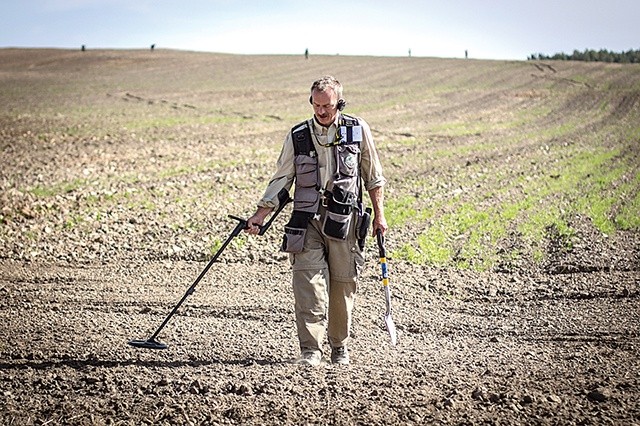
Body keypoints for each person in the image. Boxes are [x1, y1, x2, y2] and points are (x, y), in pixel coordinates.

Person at [245, 76, 388, 366]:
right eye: (317, 105)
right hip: (306, 220)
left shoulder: (357, 130)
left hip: (345, 221)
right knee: (308, 284)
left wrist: (379, 216)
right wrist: (261, 214)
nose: (322, 111)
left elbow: (373, 176)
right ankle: (310, 350)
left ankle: (339, 348)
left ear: (340, 103)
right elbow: (282, 178)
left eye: (328, 105)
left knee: (342, 286)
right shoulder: (298, 135)